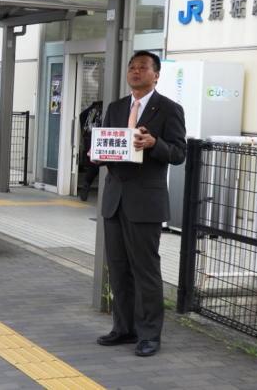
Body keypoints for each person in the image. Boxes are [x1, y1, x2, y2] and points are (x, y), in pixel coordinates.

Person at [96, 51, 186, 357]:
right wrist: (95, 154)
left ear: (156, 74)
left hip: (145, 201)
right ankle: (124, 328)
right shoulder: (116, 107)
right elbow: (105, 145)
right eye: (132, 67)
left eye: (143, 68)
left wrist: (154, 144)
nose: (136, 72)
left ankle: (150, 335)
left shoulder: (169, 109)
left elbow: (178, 153)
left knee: (145, 270)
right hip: (114, 200)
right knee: (118, 268)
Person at [78, 100, 103, 201]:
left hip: (90, 138)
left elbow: (82, 116)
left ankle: (86, 186)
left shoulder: (90, 110)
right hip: (96, 138)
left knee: (94, 165)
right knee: (96, 164)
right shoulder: (98, 110)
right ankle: (86, 186)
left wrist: (84, 134)